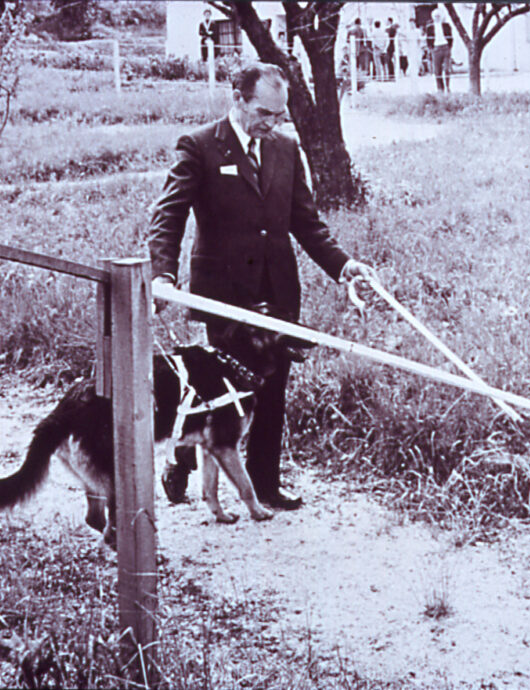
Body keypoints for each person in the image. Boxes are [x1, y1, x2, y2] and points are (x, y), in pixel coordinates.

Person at [148, 63, 374, 511]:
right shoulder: (198, 146)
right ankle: (181, 459)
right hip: (224, 293)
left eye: (279, 115)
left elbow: (306, 223)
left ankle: (266, 485)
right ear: (238, 98)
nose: (272, 124)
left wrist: (343, 265)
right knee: (217, 389)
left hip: (278, 291)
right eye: (264, 113)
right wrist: (162, 275)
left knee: (271, 387)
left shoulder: (287, 149)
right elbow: (169, 214)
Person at [425, 6, 453, 92]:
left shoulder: (446, 25)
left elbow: (451, 37)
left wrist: (449, 46)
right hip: (436, 48)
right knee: (437, 71)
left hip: (445, 47)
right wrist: (431, 49)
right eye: (435, 16)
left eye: (438, 16)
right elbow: (428, 39)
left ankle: (448, 86)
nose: (437, 18)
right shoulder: (430, 27)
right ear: (433, 17)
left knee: (447, 69)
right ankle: (440, 88)